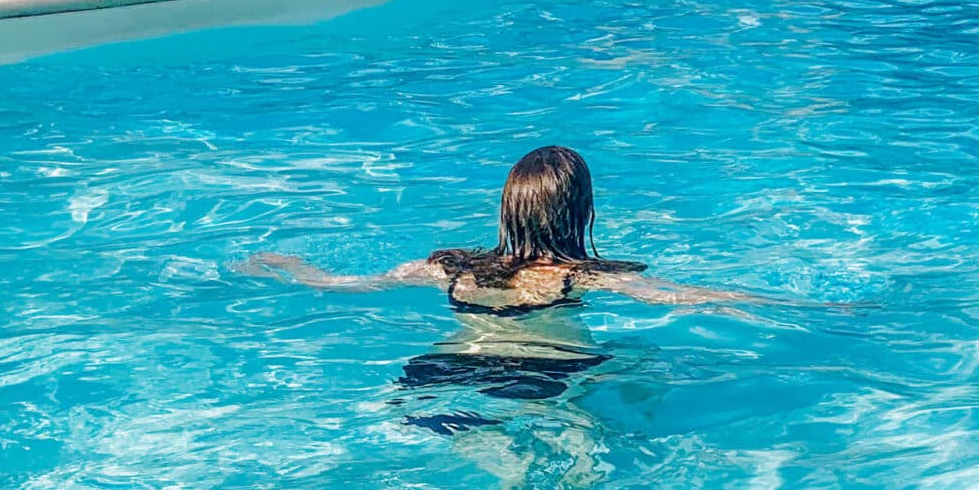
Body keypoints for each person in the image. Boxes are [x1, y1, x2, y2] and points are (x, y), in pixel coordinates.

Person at [240, 145, 747, 314]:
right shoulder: (582, 279)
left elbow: (348, 285)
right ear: (583, 214)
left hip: (441, 373)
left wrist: (285, 265)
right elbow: (688, 298)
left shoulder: (450, 269)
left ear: (508, 209)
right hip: (541, 383)